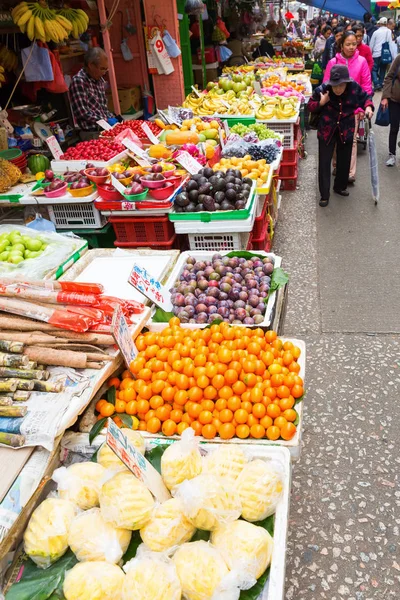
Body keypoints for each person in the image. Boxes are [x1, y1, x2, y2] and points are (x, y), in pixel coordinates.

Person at [309, 65, 374, 207]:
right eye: (335, 86)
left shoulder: (354, 87)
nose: (338, 89)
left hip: (346, 127)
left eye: (341, 85)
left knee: (344, 160)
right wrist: (321, 102)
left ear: (347, 82)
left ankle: (339, 187)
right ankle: (324, 194)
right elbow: (310, 105)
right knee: (324, 162)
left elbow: (366, 98)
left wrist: (368, 107)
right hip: (327, 129)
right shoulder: (323, 89)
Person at [324, 31, 373, 182]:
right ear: (341, 45)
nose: (352, 47)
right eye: (348, 44)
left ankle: (349, 173)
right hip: (334, 110)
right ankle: (337, 164)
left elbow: (365, 86)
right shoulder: (333, 62)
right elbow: (326, 85)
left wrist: (363, 107)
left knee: (351, 141)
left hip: (353, 109)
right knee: (335, 140)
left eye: (354, 44)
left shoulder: (362, 61)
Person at [70, 48, 119, 134]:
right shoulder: (79, 81)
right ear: (91, 65)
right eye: (102, 69)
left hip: (105, 129)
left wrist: (113, 118)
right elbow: (83, 113)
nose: (104, 73)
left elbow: (103, 108)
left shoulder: (99, 80)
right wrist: (106, 120)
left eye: (106, 69)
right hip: (92, 132)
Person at [381, 53, 400, 166]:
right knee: (394, 127)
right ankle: (392, 155)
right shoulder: (398, 58)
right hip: (395, 99)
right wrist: (385, 97)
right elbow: (389, 77)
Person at [369, 17, 393, 91]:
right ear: (386, 24)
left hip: (376, 54)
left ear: (380, 23)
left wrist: (370, 53)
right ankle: (380, 82)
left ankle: (376, 83)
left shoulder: (376, 32)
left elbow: (371, 44)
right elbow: (390, 43)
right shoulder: (389, 31)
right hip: (384, 54)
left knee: (374, 69)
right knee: (383, 69)